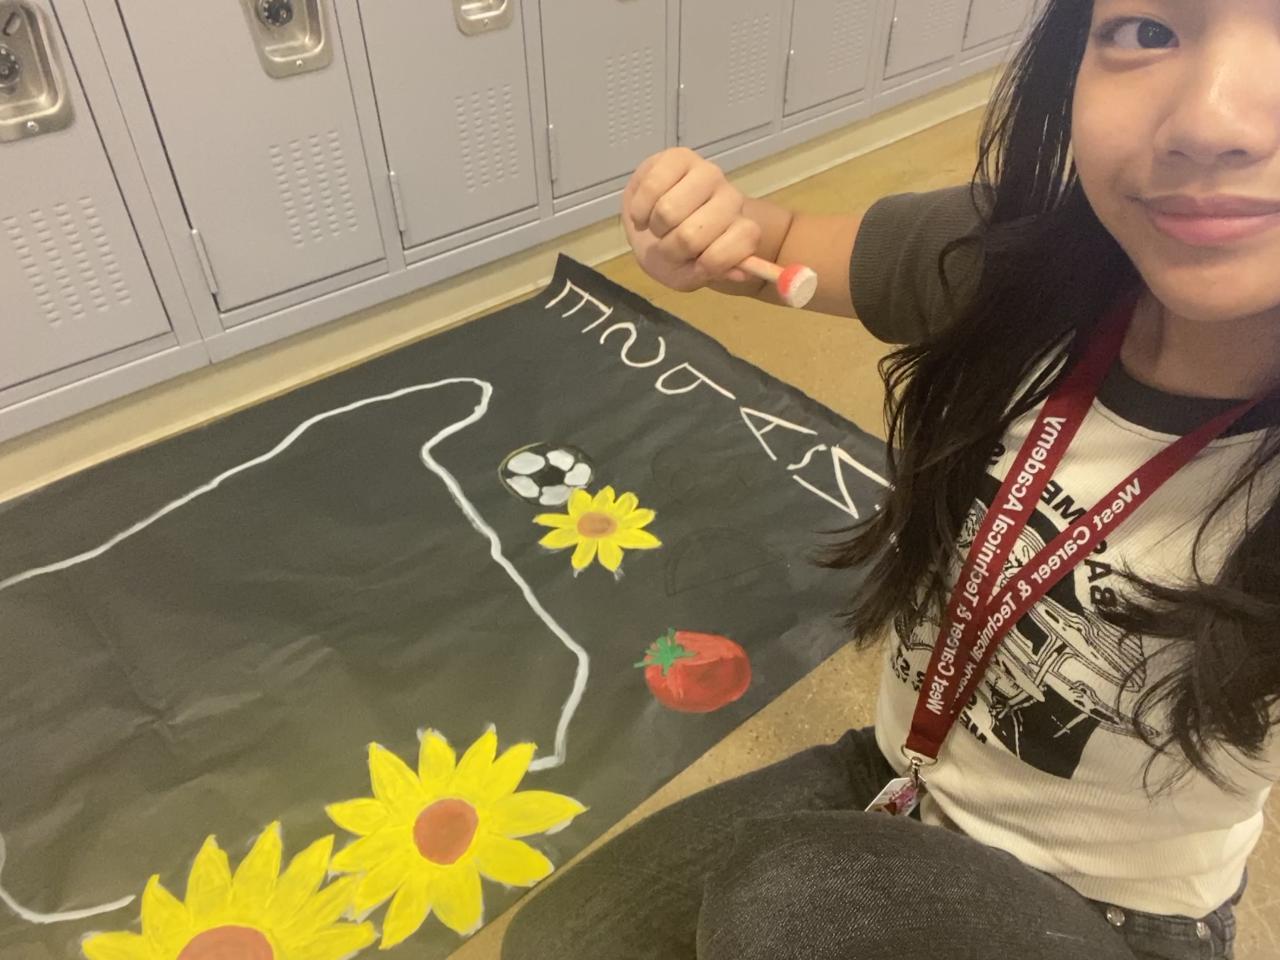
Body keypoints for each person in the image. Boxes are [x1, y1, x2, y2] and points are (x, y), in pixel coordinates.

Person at [502, 1, 1280, 957]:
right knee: (559, 941)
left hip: (1110, 911)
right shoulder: (1017, 259)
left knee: (795, 903)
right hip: (902, 777)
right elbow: (779, 240)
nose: (1209, 121)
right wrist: (701, 224)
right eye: (1148, 31)